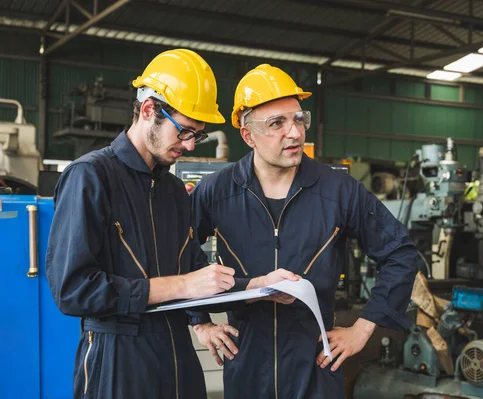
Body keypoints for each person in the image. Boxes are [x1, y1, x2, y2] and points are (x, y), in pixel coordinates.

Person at [45, 49, 285, 399]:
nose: (188, 145)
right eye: (184, 131)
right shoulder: (91, 177)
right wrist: (181, 285)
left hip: (177, 358)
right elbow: (74, 290)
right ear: (148, 110)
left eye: (197, 135)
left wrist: (259, 286)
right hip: (118, 358)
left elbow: (197, 276)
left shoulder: (173, 190)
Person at [190, 64, 418, 398]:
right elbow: (175, 250)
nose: (295, 133)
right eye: (276, 124)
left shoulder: (339, 191)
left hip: (317, 363)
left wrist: (363, 328)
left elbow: (400, 253)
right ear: (247, 134)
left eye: (298, 119)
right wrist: (200, 322)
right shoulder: (216, 192)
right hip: (245, 363)